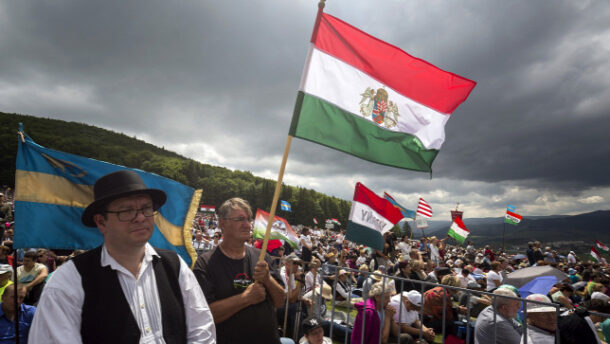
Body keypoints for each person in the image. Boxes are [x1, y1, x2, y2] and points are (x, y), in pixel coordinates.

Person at [29, 169, 216, 343]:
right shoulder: (69, 280)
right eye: (126, 211)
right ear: (101, 222)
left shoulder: (175, 265)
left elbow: (202, 329)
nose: (141, 217)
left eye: (146, 208)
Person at [193, 197, 288, 344]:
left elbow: (281, 301)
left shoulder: (262, 258)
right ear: (222, 223)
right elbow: (205, 314)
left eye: (248, 220)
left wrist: (268, 280)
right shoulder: (205, 264)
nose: (247, 225)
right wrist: (246, 298)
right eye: (240, 219)